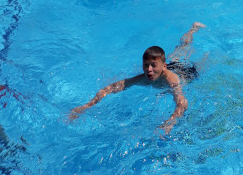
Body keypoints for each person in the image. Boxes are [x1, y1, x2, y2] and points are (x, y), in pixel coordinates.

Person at [69, 22, 205, 134]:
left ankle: (193, 30)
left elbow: (182, 102)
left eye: (153, 65)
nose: (149, 69)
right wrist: (87, 106)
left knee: (191, 54)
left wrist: (170, 123)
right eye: (146, 65)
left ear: (164, 66)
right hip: (169, 66)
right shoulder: (145, 77)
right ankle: (193, 29)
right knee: (180, 49)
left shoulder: (171, 80)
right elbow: (114, 87)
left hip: (186, 72)